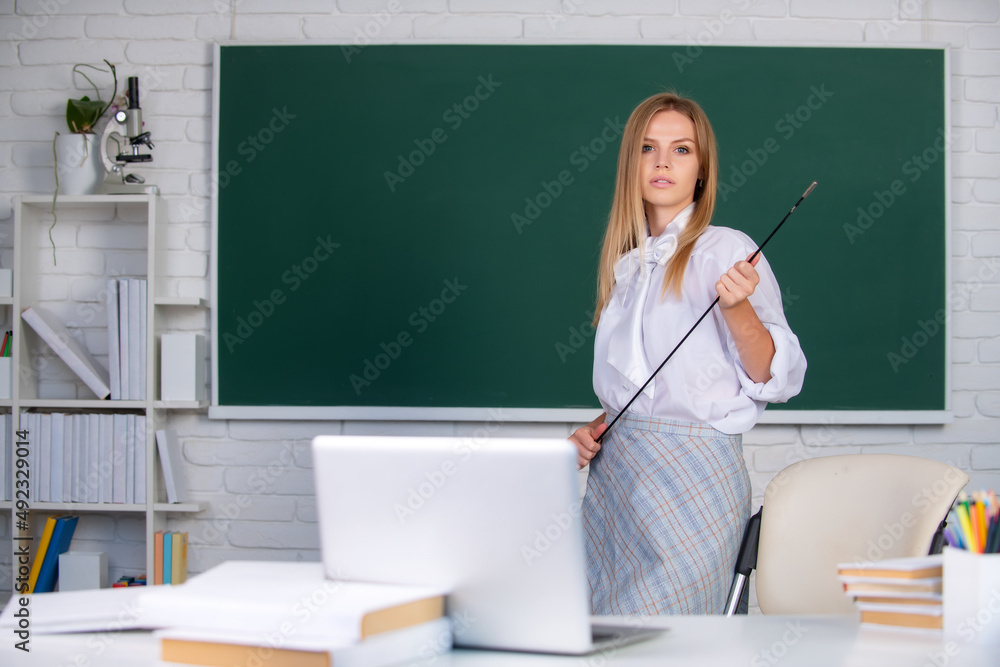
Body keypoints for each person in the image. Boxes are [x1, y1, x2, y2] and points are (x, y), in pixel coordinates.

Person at [570, 92, 807, 616]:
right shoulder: (626, 266)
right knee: (603, 633)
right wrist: (598, 426)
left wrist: (738, 309)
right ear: (630, 163)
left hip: (693, 477)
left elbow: (776, 377)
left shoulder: (726, 248)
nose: (661, 161)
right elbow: (647, 383)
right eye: (648, 148)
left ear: (701, 170)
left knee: (670, 639)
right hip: (617, 478)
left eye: (681, 150)